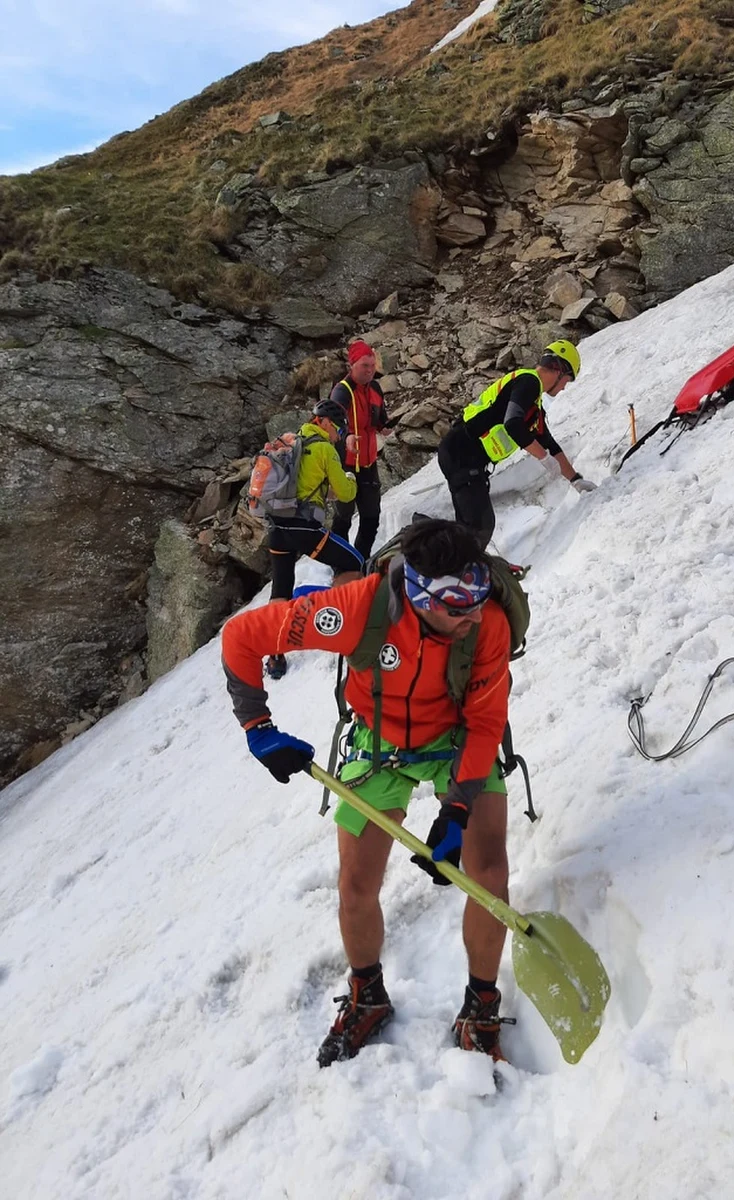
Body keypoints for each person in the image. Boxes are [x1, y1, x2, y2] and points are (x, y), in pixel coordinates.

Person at [221, 519, 515, 1066]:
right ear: (420, 597)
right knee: (356, 883)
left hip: (457, 739)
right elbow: (242, 637)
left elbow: (485, 723)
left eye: (478, 598)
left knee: (489, 874)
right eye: (459, 605)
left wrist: (456, 808)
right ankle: (367, 994)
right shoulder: (358, 609)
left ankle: (481, 1005)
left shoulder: (487, 624)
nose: (474, 615)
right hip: (379, 741)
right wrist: (258, 727)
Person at [436, 340, 597, 548]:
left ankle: (436, 555)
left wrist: (576, 480)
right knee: (480, 527)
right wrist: (543, 458)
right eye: (568, 379)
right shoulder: (528, 382)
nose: (565, 386)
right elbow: (512, 424)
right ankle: (431, 555)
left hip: (461, 455)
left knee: (469, 528)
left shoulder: (533, 404)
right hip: (461, 454)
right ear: (559, 369)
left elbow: (549, 444)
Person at [264, 397, 363, 679]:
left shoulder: (290, 442)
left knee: (280, 589)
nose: (339, 435)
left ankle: (275, 657)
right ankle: (342, 622)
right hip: (305, 530)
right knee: (353, 561)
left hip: (276, 529)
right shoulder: (324, 449)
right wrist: (350, 478)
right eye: (339, 429)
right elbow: (346, 494)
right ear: (326, 423)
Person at [329, 341, 389, 560]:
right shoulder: (342, 391)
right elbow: (332, 422)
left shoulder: (375, 388)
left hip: (368, 462)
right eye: (365, 365)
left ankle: (360, 560)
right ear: (352, 365)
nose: (370, 370)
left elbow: (380, 417)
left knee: (371, 516)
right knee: (343, 517)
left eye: (372, 365)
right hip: (345, 464)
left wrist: (385, 426)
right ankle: (340, 564)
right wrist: (346, 436)